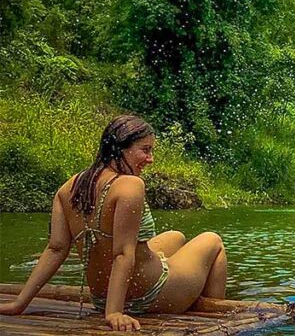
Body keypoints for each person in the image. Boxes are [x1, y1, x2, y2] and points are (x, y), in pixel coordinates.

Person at [0, 115, 228, 331]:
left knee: (175, 236)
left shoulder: (69, 187)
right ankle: (215, 316)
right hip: (148, 295)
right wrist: (114, 313)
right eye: (145, 150)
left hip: (101, 297)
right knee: (212, 240)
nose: (151, 159)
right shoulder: (130, 185)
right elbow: (121, 253)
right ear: (120, 148)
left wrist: (19, 303)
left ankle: (161, 274)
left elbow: (55, 248)